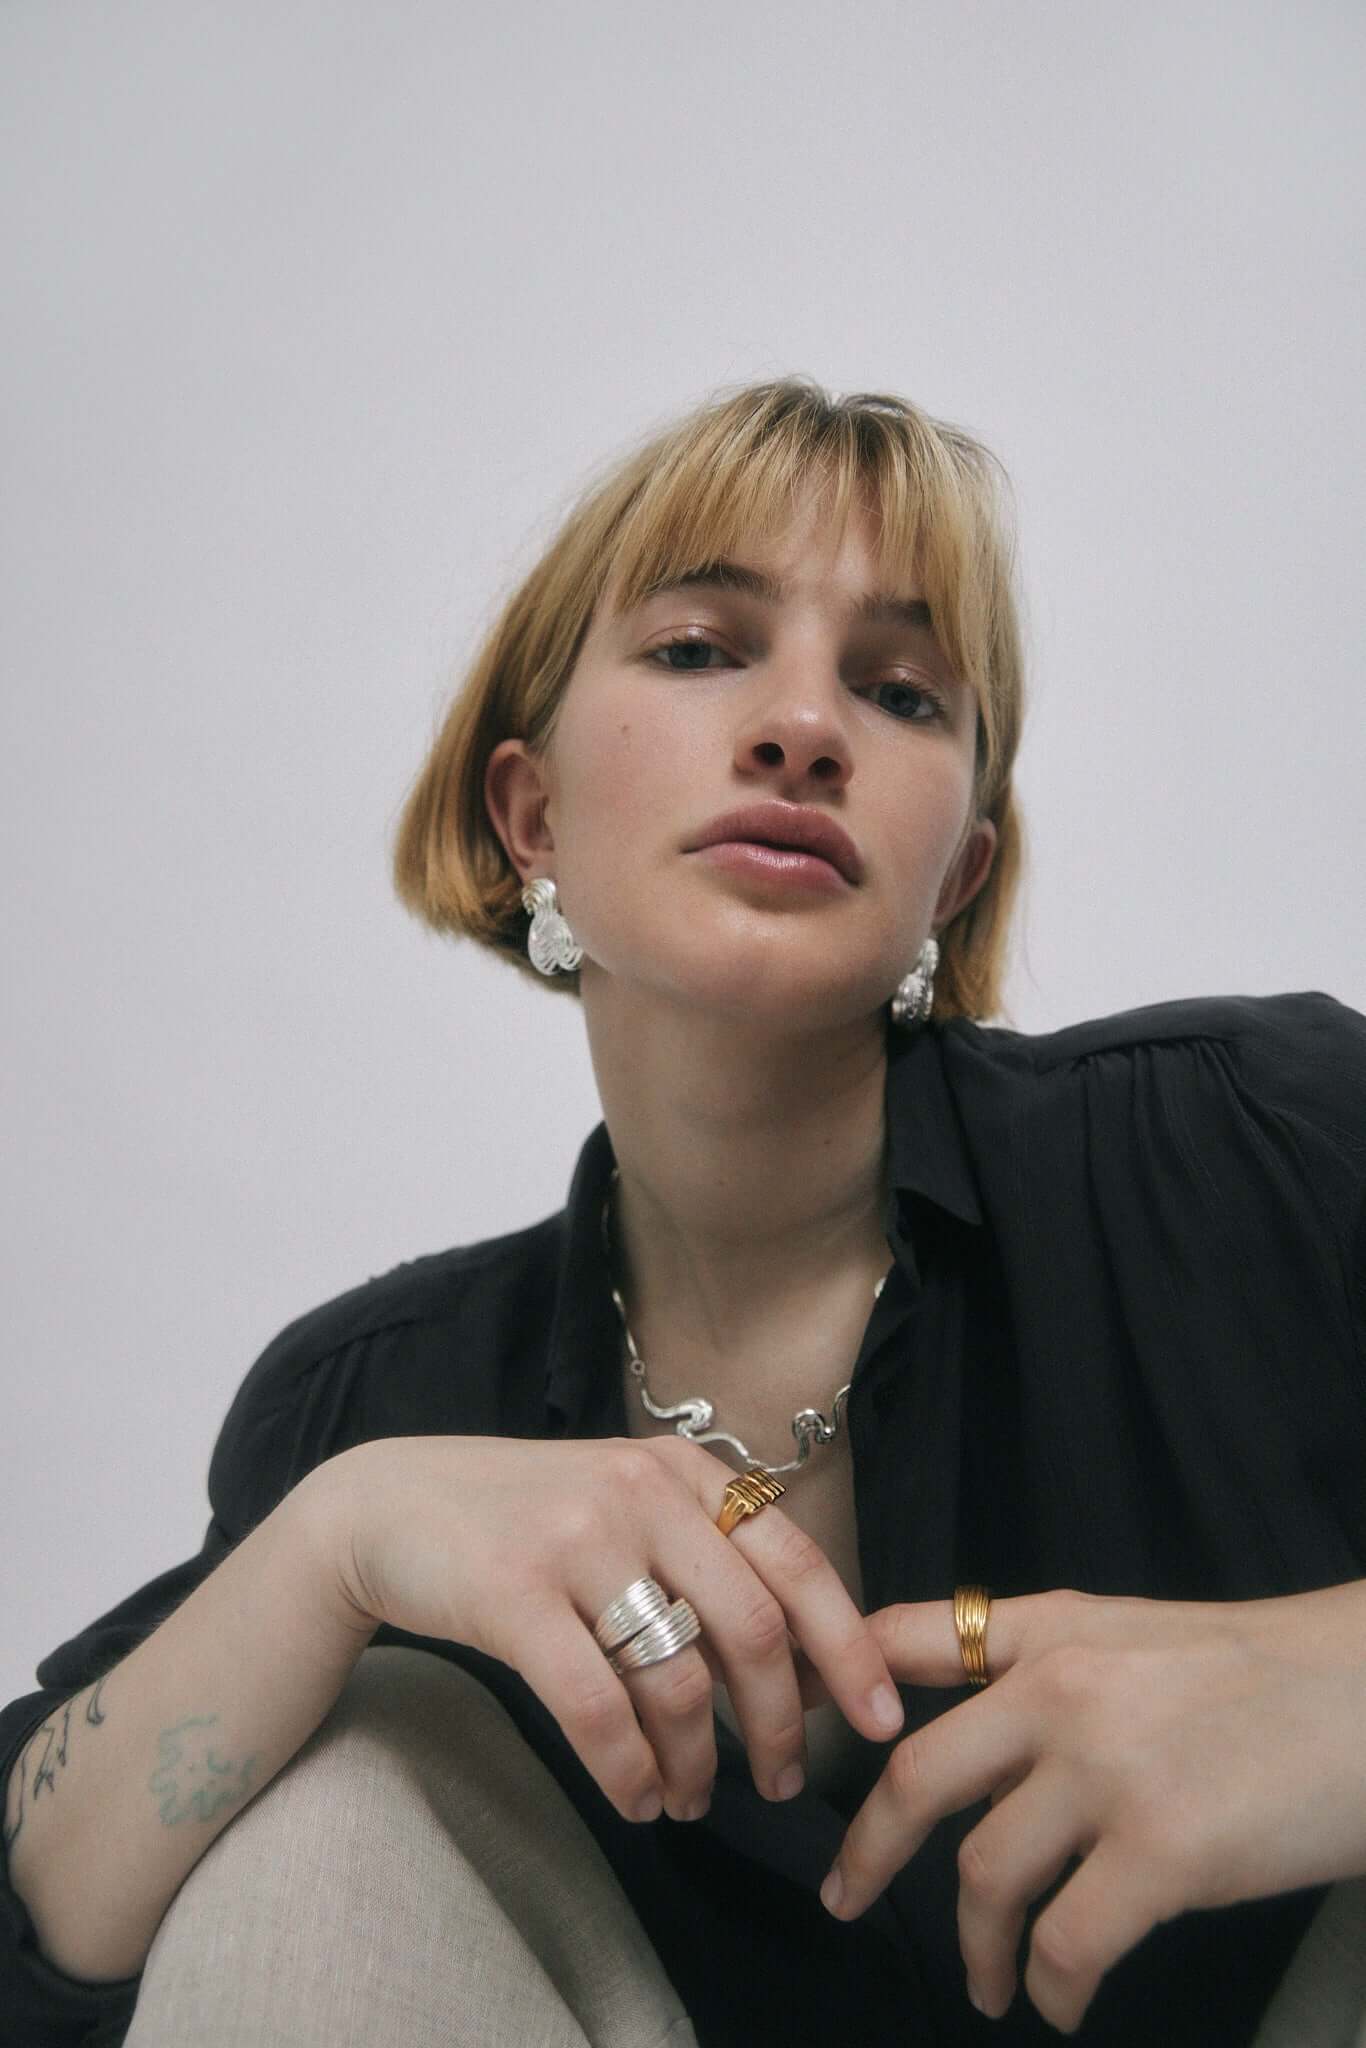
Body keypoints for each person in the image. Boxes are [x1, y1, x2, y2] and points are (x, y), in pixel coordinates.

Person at [2, 375, 1364, 2048]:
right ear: (530, 818)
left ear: (956, 877)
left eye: (898, 691)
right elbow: (38, 1935)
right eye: (701, 649)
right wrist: (336, 1540)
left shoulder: (1271, 1152)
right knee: (332, 1777)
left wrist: (1333, 1696)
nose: (802, 728)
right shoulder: (376, 1406)